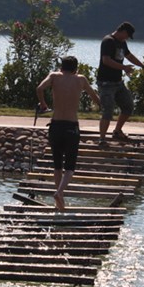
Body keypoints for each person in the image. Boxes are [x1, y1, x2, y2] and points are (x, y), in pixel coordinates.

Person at [36, 56, 100, 211]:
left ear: (61, 67)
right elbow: (95, 98)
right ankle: (59, 193)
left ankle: (59, 203)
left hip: (56, 125)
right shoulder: (81, 79)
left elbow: (39, 89)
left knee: (57, 166)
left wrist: (44, 105)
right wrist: (101, 105)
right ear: (75, 68)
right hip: (71, 126)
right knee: (70, 167)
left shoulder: (54, 76)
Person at [96, 21, 144, 145]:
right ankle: (102, 139)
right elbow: (106, 61)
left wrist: (143, 66)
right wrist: (124, 67)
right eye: (127, 35)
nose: (127, 38)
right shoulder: (108, 41)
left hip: (118, 83)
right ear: (123, 31)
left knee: (128, 106)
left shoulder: (122, 43)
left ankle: (117, 131)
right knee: (107, 111)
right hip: (106, 83)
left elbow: (129, 56)